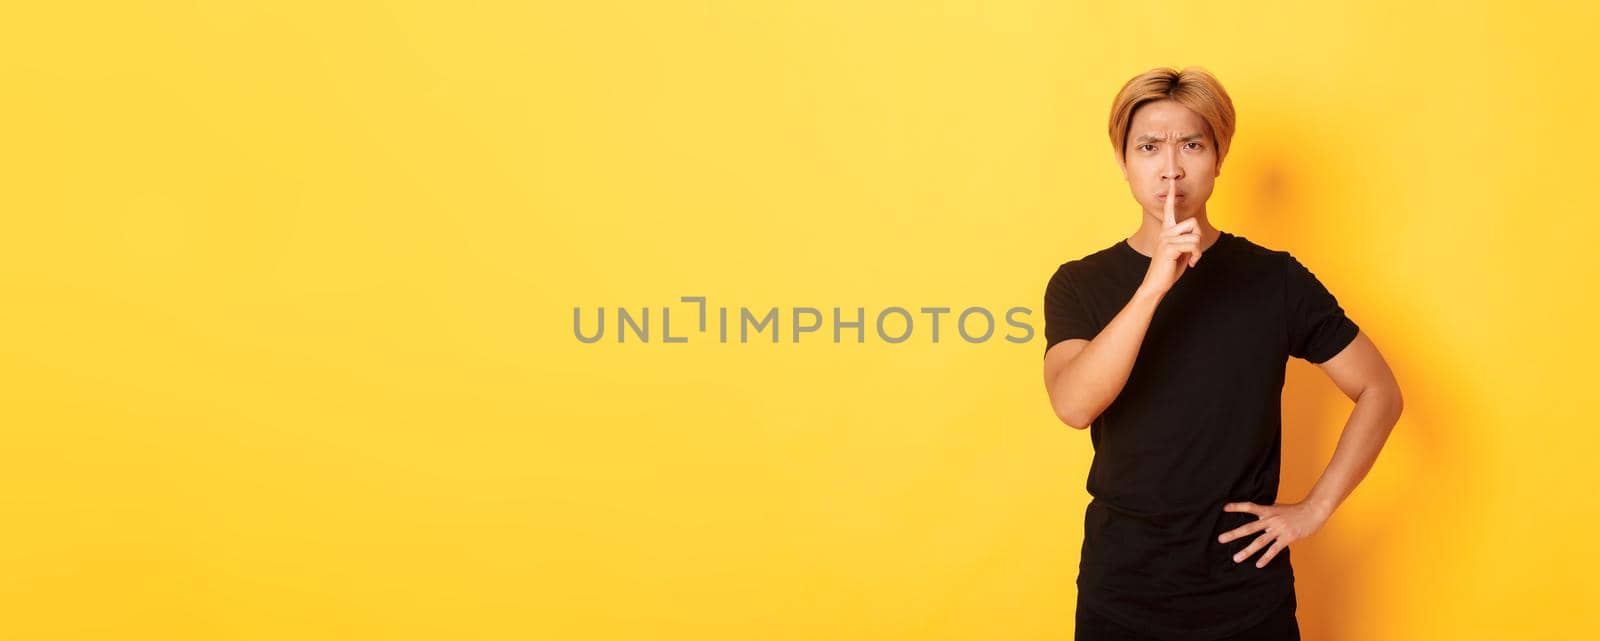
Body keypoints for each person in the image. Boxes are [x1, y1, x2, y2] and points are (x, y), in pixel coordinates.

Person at [1041, 66, 1405, 641]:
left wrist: (1315, 508)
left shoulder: (1274, 280)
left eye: (1191, 144)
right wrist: (1156, 282)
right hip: (1124, 589)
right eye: (1149, 147)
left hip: (1245, 593)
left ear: (1219, 157)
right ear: (1123, 160)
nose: (1171, 167)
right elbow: (1073, 404)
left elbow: (1380, 391)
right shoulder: (1080, 284)